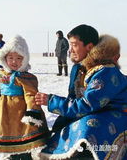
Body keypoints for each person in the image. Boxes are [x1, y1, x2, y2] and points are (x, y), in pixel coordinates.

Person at [35, 25, 127, 160]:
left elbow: (87, 104)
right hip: (93, 112)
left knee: (89, 125)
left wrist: (51, 101)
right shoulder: (78, 69)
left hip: (117, 115)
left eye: (74, 45)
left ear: (89, 47)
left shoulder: (106, 71)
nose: (70, 50)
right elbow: (73, 98)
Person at [0, 35, 49, 160]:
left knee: (22, 134)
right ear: (4, 58)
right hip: (5, 112)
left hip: (20, 112)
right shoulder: (1, 75)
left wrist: (32, 110)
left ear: (24, 60)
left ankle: (25, 154)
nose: (14, 61)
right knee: (9, 132)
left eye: (18, 58)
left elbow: (30, 94)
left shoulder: (25, 77)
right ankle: (14, 154)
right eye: (10, 58)